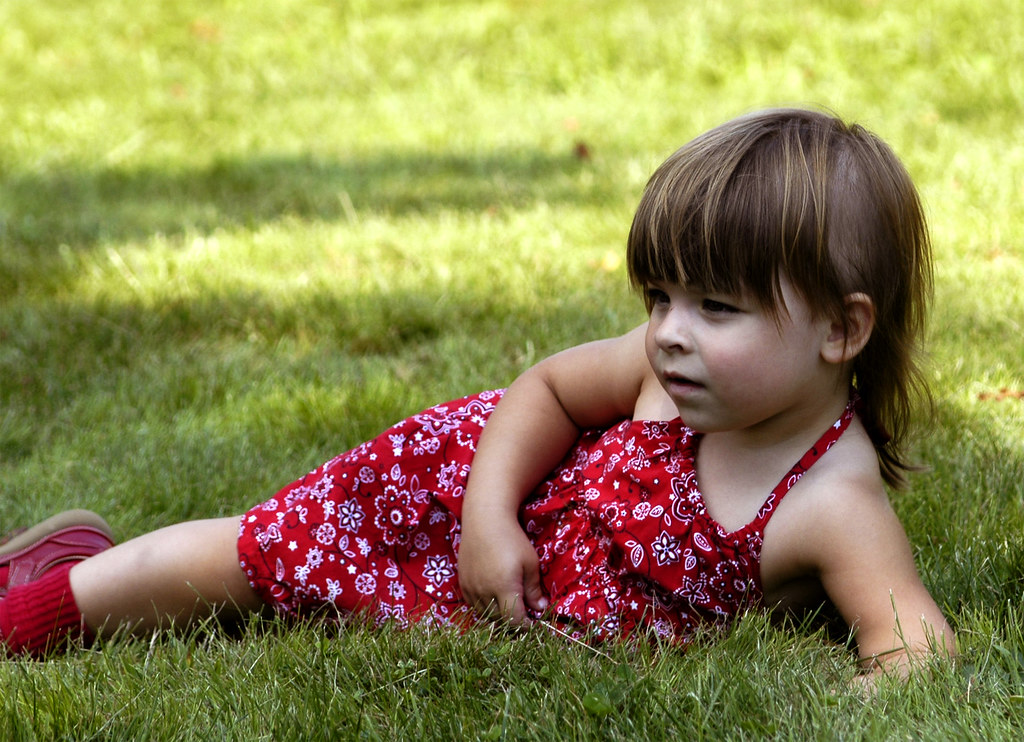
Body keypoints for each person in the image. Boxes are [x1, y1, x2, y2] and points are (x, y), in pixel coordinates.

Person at [0, 108, 954, 677]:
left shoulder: (830, 502)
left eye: (715, 306)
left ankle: (70, 562)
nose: (669, 331)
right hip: (459, 503)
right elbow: (544, 390)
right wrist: (487, 521)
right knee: (238, 566)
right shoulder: (660, 369)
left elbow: (915, 649)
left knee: (263, 600)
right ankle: (30, 614)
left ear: (842, 329)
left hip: (489, 602)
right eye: (658, 296)